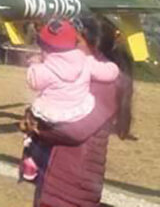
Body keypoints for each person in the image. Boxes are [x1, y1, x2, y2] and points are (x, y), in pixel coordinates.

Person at [22, 16, 133, 207]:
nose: (70, 47)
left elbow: (76, 131)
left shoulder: (105, 85)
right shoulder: (77, 72)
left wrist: (38, 127)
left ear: (94, 47)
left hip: (73, 179)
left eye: (76, 42)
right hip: (57, 171)